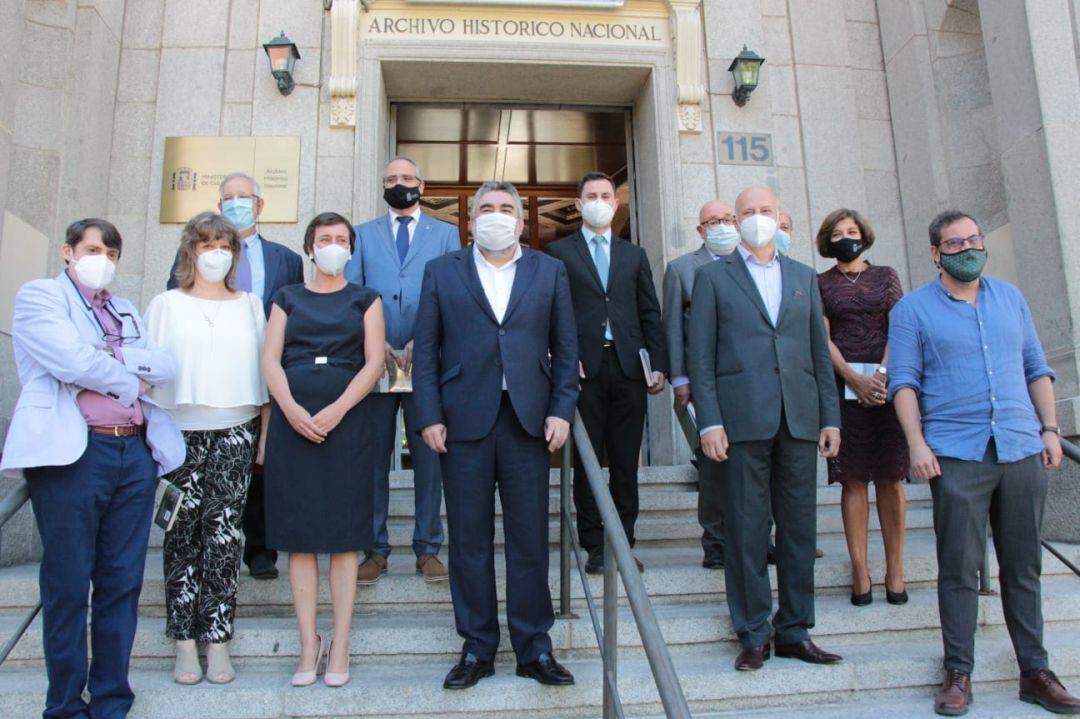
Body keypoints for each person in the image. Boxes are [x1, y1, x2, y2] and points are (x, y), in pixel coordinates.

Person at [888, 210, 1080, 716]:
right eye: (956, 243)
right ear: (936, 253)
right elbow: (902, 382)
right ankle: (958, 672)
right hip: (956, 453)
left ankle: (1035, 672)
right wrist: (916, 444)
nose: (968, 249)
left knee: (1024, 567)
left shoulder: (1010, 299)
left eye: (974, 240)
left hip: (1020, 448)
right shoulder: (912, 309)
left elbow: (1037, 367)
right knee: (959, 567)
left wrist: (1051, 429)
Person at [1, 219, 184, 719]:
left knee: (121, 580)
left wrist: (111, 355)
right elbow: (70, 361)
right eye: (92, 249)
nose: (101, 258)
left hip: (134, 455)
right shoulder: (41, 297)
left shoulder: (125, 309)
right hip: (74, 456)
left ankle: (110, 697)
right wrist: (128, 376)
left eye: (110, 252)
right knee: (66, 582)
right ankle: (63, 703)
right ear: (68, 252)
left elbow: (165, 367)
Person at [413, 181, 578, 690]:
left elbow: (566, 348)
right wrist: (428, 415)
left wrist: (561, 409)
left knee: (529, 539)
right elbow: (427, 350)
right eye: (487, 208)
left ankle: (534, 648)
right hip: (463, 421)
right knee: (468, 542)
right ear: (470, 220)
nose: (496, 216)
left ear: (522, 222)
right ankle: (477, 647)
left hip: (529, 422)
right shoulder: (442, 272)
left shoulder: (549, 270)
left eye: (507, 209)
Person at [687, 185, 843, 672]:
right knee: (748, 531)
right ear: (733, 221)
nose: (756, 219)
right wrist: (708, 421)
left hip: (798, 420)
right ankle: (753, 631)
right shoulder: (713, 278)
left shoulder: (803, 277)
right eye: (747, 213)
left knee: (798, 530)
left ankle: (795, 629)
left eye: (765, 211)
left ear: (780, 217)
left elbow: (819, 352)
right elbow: (701, 357)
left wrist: (830, 416)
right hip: (739, 423)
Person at [261, 212, 385, 688]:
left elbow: (374, 361)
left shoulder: (365, 299)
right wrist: (289, 409)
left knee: (344, 538)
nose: (332, 245)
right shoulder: (286, 297)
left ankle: (341, 641)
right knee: (299, 535)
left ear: (350, 249)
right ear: (309, 248)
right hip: (294, 422)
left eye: (340, 239)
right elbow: (270, 358)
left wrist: (338, 409)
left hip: (348, 422)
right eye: (323, 239)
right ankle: (308, 642)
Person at [145, 212, 269, 685]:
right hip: (178, 432)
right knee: (181, 535)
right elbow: (148, 377)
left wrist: (264, 440)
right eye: (207, 244)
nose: (216, 253)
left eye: (225, 245)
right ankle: (183, 641)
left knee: (222, 537)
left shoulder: (251, 304)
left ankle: (217, 639)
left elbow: (263, 378)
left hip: (236, 428)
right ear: (190, 251)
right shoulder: (165, 304)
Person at [167, 172, 304, 581]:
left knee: (262, 461)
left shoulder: (287, 259)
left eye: (244, 197)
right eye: (228, 198)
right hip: (209, 377)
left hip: (265, 369)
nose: (236, 203)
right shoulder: (194, 255)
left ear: (260, 206)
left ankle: (260, 549)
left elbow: (294, 314)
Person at [545, 171, 668, 574]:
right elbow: (550, 312)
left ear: (615, 204)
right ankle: (595, 545)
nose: (599, 201)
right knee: (587, 463)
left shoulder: (634, 255)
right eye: (591, 196)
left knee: (625, 464)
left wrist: (660, 364)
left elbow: (650, 311)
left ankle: (623, 544)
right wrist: (561, 357)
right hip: (584, 370)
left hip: (629, 368)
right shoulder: (559, 253)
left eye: (606, 195)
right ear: (579, 205)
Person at [344, 156, 459, 585]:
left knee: (429, 458)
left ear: (422, 185)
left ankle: (428, 547)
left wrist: (419, 343)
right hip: (375, 365)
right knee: (372, 460)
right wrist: (379, 346)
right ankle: (375, 549)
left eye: (407, 177)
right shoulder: (362, 234)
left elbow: (452, 294)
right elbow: (354, 295)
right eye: (391, 178)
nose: (399, 184)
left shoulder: (446, 234)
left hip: (425, 364)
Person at [815, 209, 908, 607]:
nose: (846, 237)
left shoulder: (885, 276)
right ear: (827, 241)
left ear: (864, 235)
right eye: (837, 233)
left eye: (851, 231)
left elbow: (899, 327)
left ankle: (896, 570)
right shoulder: (819, 283)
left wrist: (882, 375)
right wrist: (854, 378)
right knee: (853, 479)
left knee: (891, 478)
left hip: (887, 390)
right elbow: (822, 337)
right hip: (843, 388)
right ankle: (860, 570)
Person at [662, 198, 739, 569]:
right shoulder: (681, 269)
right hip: (702, 384)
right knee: (713, 465)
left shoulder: (753, 264)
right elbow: (673, 329)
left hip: (749, 383)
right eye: (713, 220)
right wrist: (680, 381)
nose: (721, 225)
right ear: (700, 229)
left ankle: (760, 536)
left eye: (727, 219)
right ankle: (716, 542)